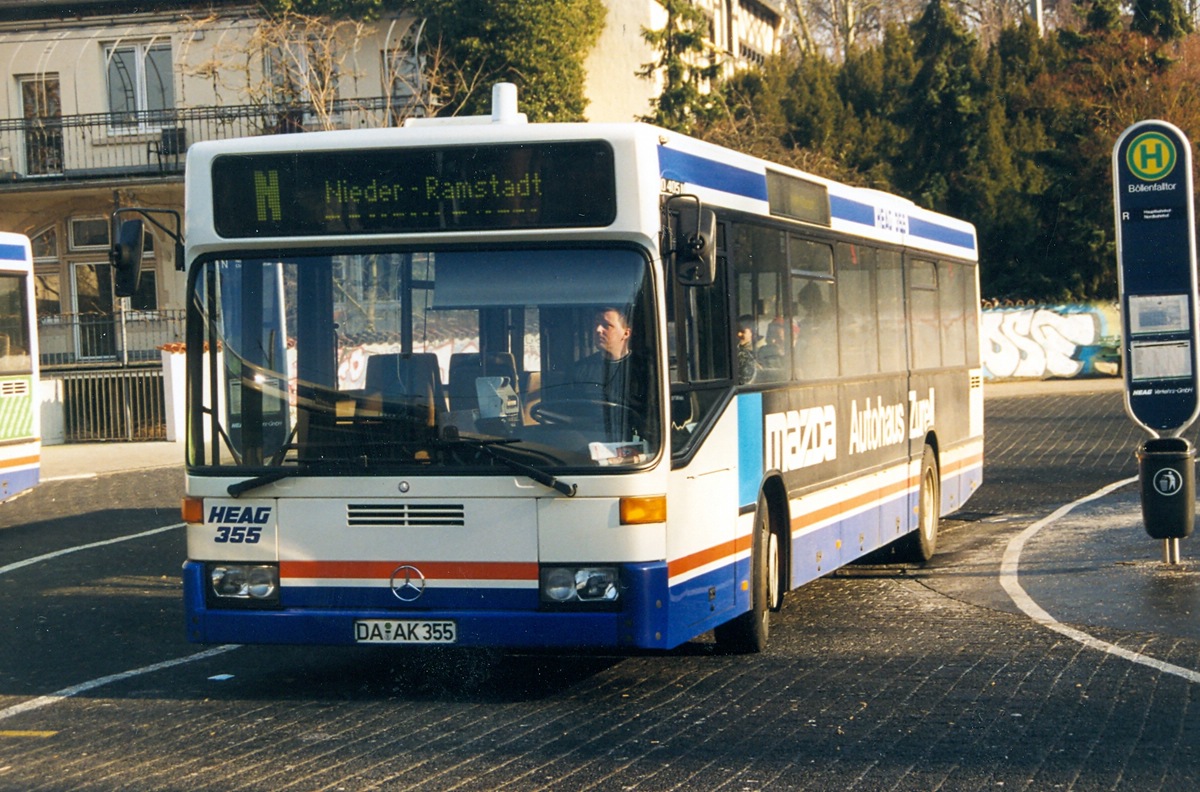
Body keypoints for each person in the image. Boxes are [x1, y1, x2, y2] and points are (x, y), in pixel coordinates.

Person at [570, 306, 650, 439]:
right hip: (588, 441)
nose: (598, 330)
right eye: (596, 324)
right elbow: (571, 414)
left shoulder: (644, 369)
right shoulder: (580, 370)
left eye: (606, 325)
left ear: (626, 333)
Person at [737, 315, 758, 384]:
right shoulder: (737, 350)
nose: (739, 334)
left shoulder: (761, 351)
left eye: (742, 331)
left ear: (752, 333)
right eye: (737, 330)